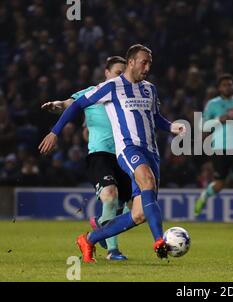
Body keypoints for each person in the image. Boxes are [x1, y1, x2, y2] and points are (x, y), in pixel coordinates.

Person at [39, 44, 186, 262]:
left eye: (150, 64)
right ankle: (158, 241)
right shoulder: (112, 87)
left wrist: (173, 127)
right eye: (143, 62)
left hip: (151, 152)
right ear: (131, 62)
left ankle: (89, 239)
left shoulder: (149, 89)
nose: (147, 67)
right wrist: (55, 132)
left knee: (139, 214)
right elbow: (76, 105)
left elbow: (155, 117)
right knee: (146, 181)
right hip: (129, 148)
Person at [41, 56, 131, 261]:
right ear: (106, 73)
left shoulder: (126, 95)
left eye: (124, 74)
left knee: (132, 209)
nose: (121, 78)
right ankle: (113, 251)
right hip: (100, 154)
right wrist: (56, 105)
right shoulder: (91, 93)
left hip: (125, 156)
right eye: (118, 73)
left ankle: (100, 225)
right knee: (110, 195)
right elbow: (68, 104)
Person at [194, 74, 233, 229]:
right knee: (220, 183)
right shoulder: (212, 104)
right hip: (220, 148)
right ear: (219, 88)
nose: (228, 87)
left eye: (230, 84)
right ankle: (205, 195)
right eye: (225, 85)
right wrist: (219, 120)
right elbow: (203, 126)